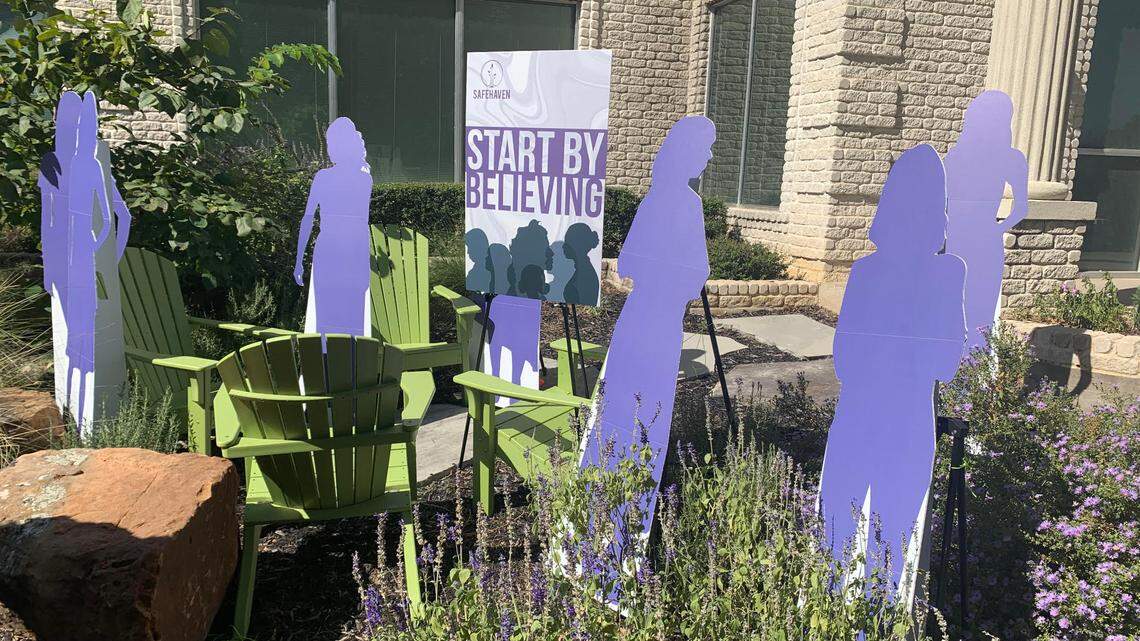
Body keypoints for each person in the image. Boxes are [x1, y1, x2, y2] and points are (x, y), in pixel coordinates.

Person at [818, 144, 966, 603]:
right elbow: (946, 362)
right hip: (907, 416)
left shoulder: (865, 271)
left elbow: (843, 358)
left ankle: (827, 620)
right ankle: (873, 624)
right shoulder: (948, 274)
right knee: (892, 543)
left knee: (836, 536)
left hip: (859, 411)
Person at [582, 115, 716, 548]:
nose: (710, 157)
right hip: (655, 322)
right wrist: (676, 274)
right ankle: (619, 520)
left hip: (645, 318)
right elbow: (645, 266)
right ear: (687, 154)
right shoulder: (681, 204)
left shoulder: (658, 200)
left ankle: (601, 513)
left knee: (622, 414)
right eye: (705, 150)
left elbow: (630, 264)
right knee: (642, 418)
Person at [944, 90, 1029, 353]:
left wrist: (994, 229)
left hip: (964, 237)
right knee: (969, 308)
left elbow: (1021, 206)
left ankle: (964, 377)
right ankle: (966, 375)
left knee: (966, 309)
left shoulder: (960, 156)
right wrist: (995, 229)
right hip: (971, 239)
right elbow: (1019, 208)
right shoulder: (958, 156)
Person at [294, 117, 373, 336]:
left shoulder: (323, 178)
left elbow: (308, 218)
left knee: (328, 320)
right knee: (352, 319)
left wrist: (299, 260)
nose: (328, 148)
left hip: (332, 251)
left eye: (330, 143)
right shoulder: (365, 180)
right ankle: (349, 365)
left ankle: (328, 364)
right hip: (354, 250)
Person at [64, 92, 114, 432]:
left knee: (87, 330)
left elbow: (108, 219)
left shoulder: (92, 165)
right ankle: (71, 414)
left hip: (81, 248)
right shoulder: (62, 164)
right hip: (74, 248)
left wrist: (92, 247)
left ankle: (85, 418)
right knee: (73, 335)